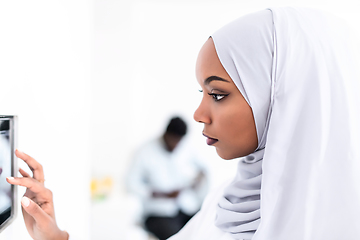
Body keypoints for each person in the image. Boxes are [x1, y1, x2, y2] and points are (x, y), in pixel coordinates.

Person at [6, 6, 360, 240]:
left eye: (218, 95)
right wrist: (56, 238)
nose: (199, 114)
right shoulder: (226, 203)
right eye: (202, 94)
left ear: (287, 97)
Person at [126, 116, 208, 240]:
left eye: (178, 141)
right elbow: (131, 183)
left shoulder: (187, 149)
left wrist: (197, 182)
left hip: (186, 208)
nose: (175, 145)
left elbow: (203, 170)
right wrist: (160, 194)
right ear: (166, 134)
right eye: (173, 140)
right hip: (158, 214)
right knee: (176, 236)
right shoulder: (144, 151)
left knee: (205, 229)